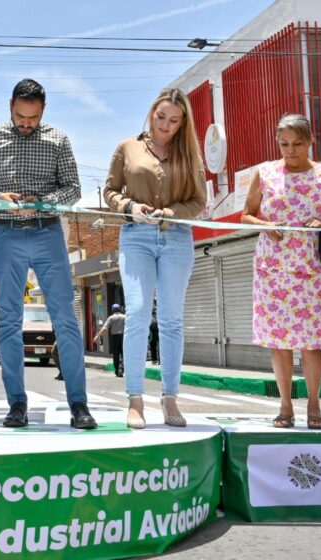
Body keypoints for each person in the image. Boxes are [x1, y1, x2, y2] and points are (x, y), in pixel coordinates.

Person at [0, 78, 96, 430]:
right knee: (9, 321)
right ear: (11, 106)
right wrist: (0, 199)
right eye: (21, 116)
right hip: (6, 235)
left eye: (33, 117)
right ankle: (17, 405)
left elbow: (73, 189)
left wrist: (44, 203)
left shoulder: (58, 139)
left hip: (47, 233)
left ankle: (79, 404)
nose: (27, 123)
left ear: (44, 111)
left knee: (65, 319)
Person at [104, 88, 207, 429]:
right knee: (136, 313)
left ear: (183, 123)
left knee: (171, 319)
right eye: (161, 117)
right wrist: (131, 207)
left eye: (174, 120)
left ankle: (170, 399)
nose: (165, 125)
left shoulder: (190, 154)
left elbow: (197, 201)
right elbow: (110, 191)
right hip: (136, 238)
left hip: (177, 237)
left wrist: (169, 212)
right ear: (151, 113)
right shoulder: (127, 148)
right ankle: (135, 399)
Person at [240, 113, 321, 430]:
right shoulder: (265, 173)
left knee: (312, 342)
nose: (290, 150)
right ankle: (285, 405)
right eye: (284, 143)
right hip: (273, 269)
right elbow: (247, 216)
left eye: (298, 143)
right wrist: (266, 224)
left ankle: (314, 404)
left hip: (312, 269)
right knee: (280, 341)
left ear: (311, 141)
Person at [93, 303, 125, 377]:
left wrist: (97, 336)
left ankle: (117, 370)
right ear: (119, 309)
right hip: (123, 337)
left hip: (115, 338)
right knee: (124, 354)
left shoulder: (111, 318)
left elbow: (105, 328)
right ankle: (121, 369)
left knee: (116, 355)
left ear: (112, 310)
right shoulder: (125, 317)